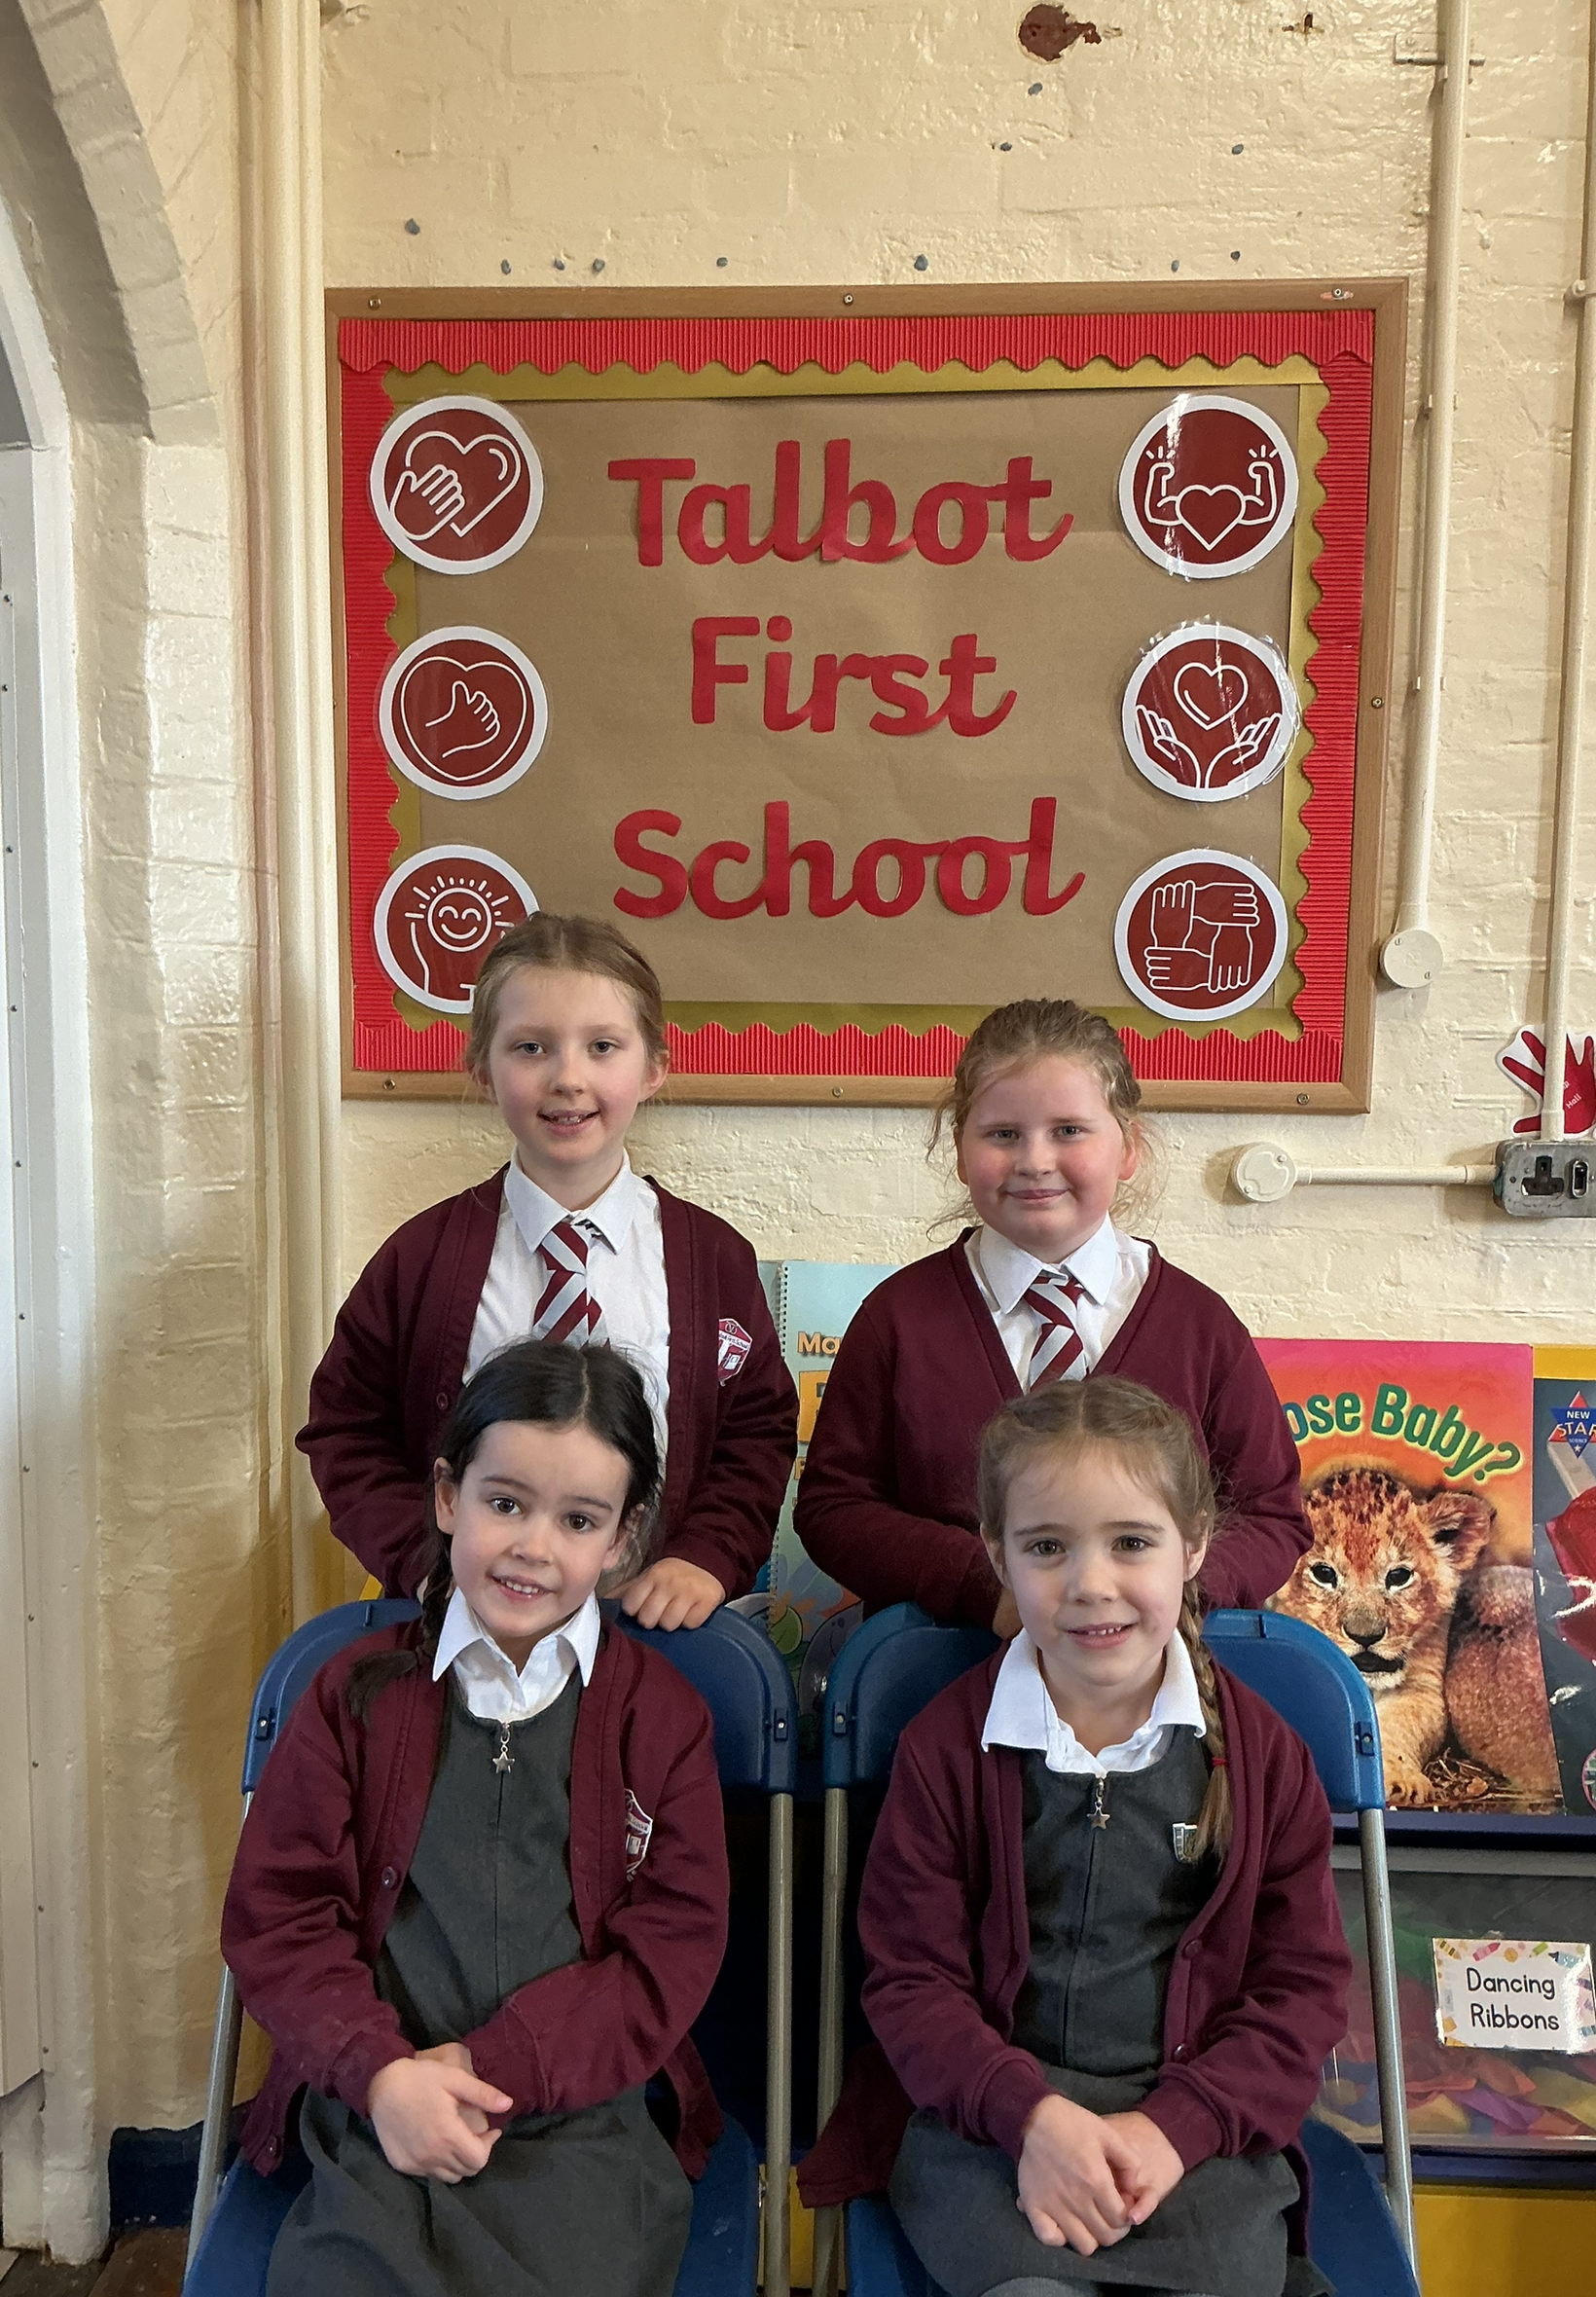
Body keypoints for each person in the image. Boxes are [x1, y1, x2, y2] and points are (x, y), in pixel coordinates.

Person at [799, 1378, 1349, 2297]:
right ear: (997, 1556)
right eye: (1047, 1547)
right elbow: (911, 1982)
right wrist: (1032, 2119)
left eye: (1131, 1542)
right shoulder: (949, 1747)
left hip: (1192, 2148)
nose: (1091, 1585)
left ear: (1195, 1546)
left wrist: (1175, 2130)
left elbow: (1300, 1993)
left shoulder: (1263, 1760)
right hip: (987, 2134)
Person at [223, 1340, 730, 2297]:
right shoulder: (353, 1696)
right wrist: (381, 2074)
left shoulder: (658, 1719)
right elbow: (279, 1919)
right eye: (505, 1502)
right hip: (381, 2106)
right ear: (449, 1496)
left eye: (577, 1518)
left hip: (581, 2119)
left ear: (622, 1538)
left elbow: (667, 1953)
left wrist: (486, 2060)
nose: (533, 1545)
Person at [302, 912, 797, 1626]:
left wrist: (707, 1554)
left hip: (648, 1632)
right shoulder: (421, 1259)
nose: (568, 1078)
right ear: (483, 1066)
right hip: (466, 1630)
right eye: (531, 1047)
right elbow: (345, 1427)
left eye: (602, 1047)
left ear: (653, 1066)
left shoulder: (714, 1259)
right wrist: (421, 1561)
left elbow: (756, 1432)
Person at [795, 999, 1308, 1625]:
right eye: (1003, 1133)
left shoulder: (1201, 1327)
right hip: (946, 1676)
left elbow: (1271, 1515)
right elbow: (834, 1507)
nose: (1035, 1161)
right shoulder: (897, 1320)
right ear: (959, 1150)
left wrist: (1167, 1597)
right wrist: (988, 1587)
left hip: (1152, 1688)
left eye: (1068, 1130)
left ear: (1128, 1148)